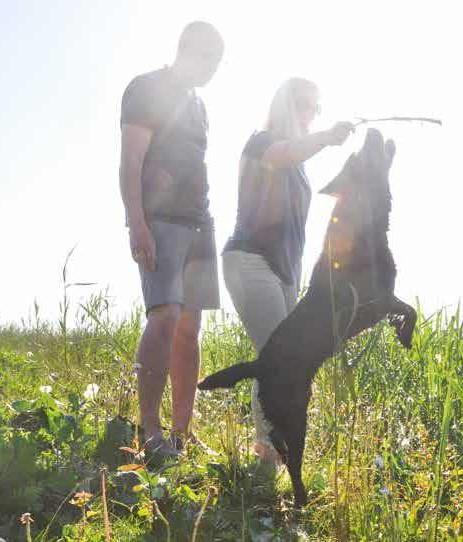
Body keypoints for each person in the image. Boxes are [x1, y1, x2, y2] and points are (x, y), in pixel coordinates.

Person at [222, 77, 354, 461]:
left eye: (316, 108)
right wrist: (327, 137)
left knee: (276, 359)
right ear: (283, 103)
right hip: (250, 261)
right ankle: (272, 458)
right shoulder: (261, 141)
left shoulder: (300, 164)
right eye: (302, 104)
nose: (309, 114)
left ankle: (268, 458)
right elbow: (283, 154)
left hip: (284, 271)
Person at [119, 21, 224, 460]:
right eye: (208, 60)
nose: (212, 71)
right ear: (186, 50)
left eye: (218, 64)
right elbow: (130, 161)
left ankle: (183, 431)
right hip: (161, 221)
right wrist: (136, 223)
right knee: (164, 317)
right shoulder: (146, 89)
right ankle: (150, 432)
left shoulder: (198, 106)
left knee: (190, 327)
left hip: (200, 222)